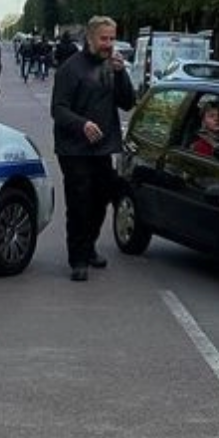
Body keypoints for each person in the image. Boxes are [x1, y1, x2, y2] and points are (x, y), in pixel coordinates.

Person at [51, 15, 136, 282]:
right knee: (80, 203)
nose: (108, 44)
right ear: (90, 38)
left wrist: (122, 74)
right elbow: (58, 109)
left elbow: (127, 103)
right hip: (73, 148)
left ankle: (89, 246)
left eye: (112, 39)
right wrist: (82, 124)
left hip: (103, 147)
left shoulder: (113, 67)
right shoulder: (70, 69)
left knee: (101, 201)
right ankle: (78, 259)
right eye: (104, 39)